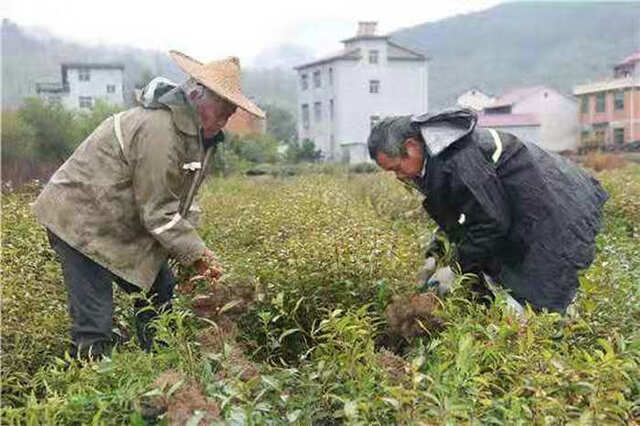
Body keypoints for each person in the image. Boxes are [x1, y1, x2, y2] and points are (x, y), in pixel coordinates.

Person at [32, 51, 265, 359]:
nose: (225, 119)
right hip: (79, 222)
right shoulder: (160, 130)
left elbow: (182, 202)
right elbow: (158, 212)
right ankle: (88, 385)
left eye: (230, 112)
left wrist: (195, 252)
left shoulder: (198, 137)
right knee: (95, 322)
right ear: (195, 96)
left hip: (115, 219)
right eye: (220, 108)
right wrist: (197, 255)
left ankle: (159, 366)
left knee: (160, 291)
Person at [368, 109, 608, 314]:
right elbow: (459, 213)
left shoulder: (460, 158)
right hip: (527, 209)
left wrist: (454, 269)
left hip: (556, 212)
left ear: (411, 147)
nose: (399, 176)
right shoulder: (435, 158)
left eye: (397, 168)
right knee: (501, 281)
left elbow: (491, 223)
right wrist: (436, 252)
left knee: (540, 300)